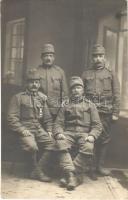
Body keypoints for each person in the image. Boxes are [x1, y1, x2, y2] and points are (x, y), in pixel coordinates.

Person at [8, 69, 76, 189]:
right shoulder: (18, 98)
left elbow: (47, 118)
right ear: (26, 84)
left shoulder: (41, 98)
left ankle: (37, 170)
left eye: (37, 82)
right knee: (32, 146)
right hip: (25, 129)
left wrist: (49, 130)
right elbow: (11, 118)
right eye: (31, 82)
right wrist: (21, 129)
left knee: (54, 143)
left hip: (38, 129)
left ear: (39, 84)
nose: (34, 85)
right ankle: (36, 171)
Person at [53, 76, 102, 188]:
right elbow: (58, 123)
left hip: (84, 134)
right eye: (73, 88)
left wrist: (92, 136)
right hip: (68, 133)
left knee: (88, 147)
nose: (76, 90)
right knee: (60, 143)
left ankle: (69, 175)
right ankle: (72, 176)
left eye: (78, 88)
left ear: (83, 90)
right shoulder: (65, 104)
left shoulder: (90, 105)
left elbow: (97, 125)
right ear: (71, 90)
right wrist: (59, 133)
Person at [82, 44, 120, 176]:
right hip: (88, 112)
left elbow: (117, 94)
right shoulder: (86, 74)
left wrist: (115, 112)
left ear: (104, 57)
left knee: (103, 139)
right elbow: (80, 94)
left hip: (105, 112)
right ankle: (89, 167)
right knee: (89, 138)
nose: (98, 59)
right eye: (95, 56)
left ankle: (100, 166)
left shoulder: (111, 73)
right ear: (92, 58)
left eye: (100, 56)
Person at [37, 43, 68, 120]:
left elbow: (65, 93)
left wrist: (62, 109)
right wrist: (38, 93)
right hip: (40, 108)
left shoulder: (60, 72)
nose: (48, 58)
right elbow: (28, 89)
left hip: (56, 110)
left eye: (51, 56)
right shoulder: (36, 71)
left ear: (54, 57)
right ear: (41, 57)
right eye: (46, 56)